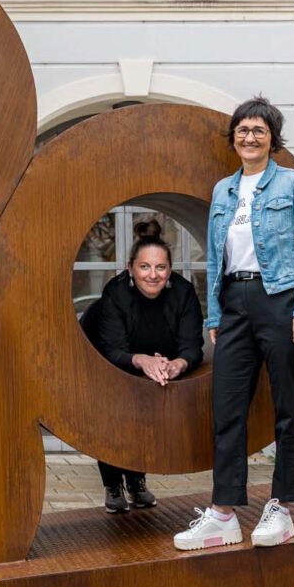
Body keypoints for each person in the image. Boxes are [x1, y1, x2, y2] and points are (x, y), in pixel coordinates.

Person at [175, 96, 294, 553]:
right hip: (235, 302)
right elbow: (214, 257)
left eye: (259, 130)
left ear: (272, 138)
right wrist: (216, 314)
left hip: (280, 298)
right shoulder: (223, 190)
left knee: (287, 403)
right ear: (233, 138)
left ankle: (281, 506)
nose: (249, 137)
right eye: (242, 129)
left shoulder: (293, 185)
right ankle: (223, 513)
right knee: (228, 408)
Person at [80, 217, 203, 514]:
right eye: (145, 267)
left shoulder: (183, 293)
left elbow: (192, 345)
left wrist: (178, 364)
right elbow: (112, 349)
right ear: (131, 268)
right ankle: (113, 484)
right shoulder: (116, 293)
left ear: (169, 270)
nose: (153, 275)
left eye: (160, 267)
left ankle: (136, 481)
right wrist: (142, 360)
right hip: (103, 354)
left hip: (153, 357)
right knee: (113, 412)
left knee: (143, 412)